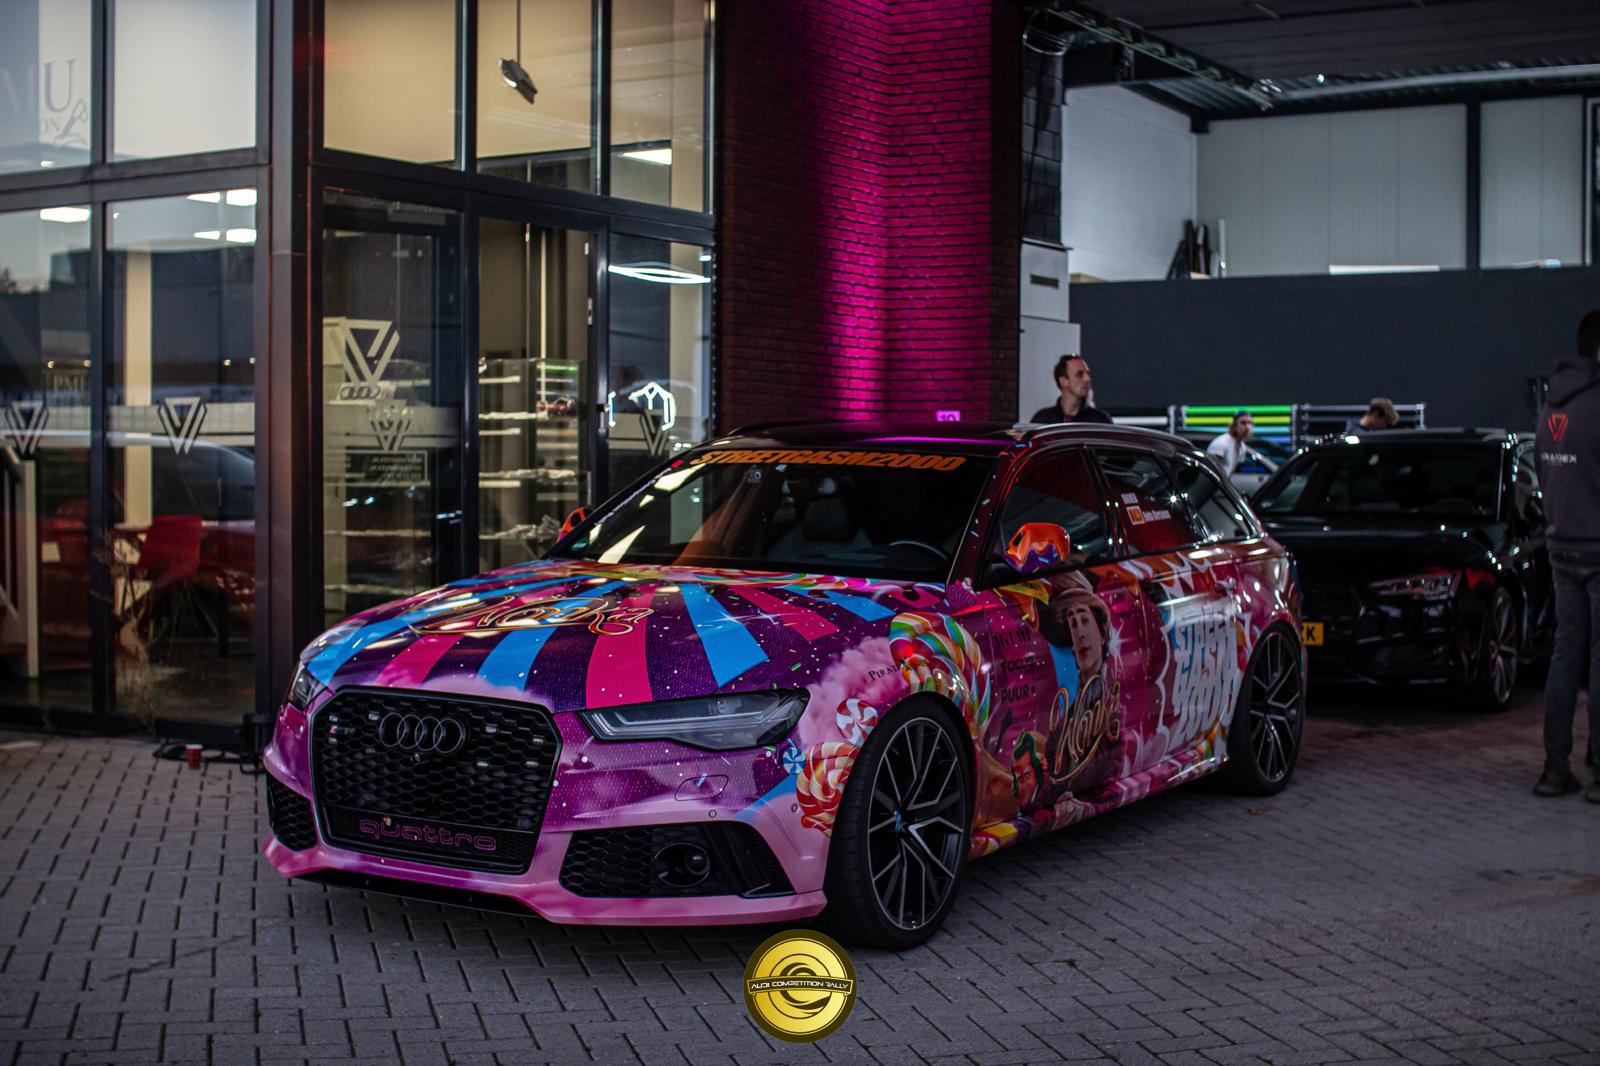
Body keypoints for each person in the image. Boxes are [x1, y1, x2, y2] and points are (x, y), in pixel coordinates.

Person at [1534, 309, 1600, 802]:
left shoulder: (1550, 405)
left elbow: (1544, 472)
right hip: (1597, 545)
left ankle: (1555, 769)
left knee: (1565, 653)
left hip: (1560, 544)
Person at [1028, 355, 1112, 425]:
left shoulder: (1100, 420)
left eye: (1088, 374)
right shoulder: (1043, 419)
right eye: (1079, 374)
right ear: (1063, 381)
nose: (1087, 379)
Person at [1206, 410, 1254, 475]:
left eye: (1250, 423)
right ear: (1234, 426)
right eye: (1243, 423)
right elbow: (1209, 470)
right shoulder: (1221, 443)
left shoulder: (1242, 447)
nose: (1247, 427)